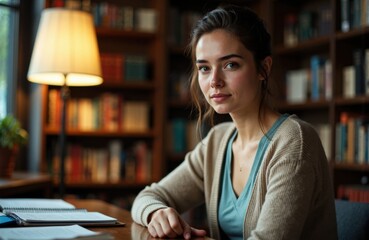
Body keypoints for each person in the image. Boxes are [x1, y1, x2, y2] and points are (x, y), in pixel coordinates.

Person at [131, 5, 338, 240]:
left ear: (263, 68)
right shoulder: (218, 141)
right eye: (204, 68)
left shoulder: (294, 143)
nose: (214, 81)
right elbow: (147, 197)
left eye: (230, 65)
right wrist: (156, 213)